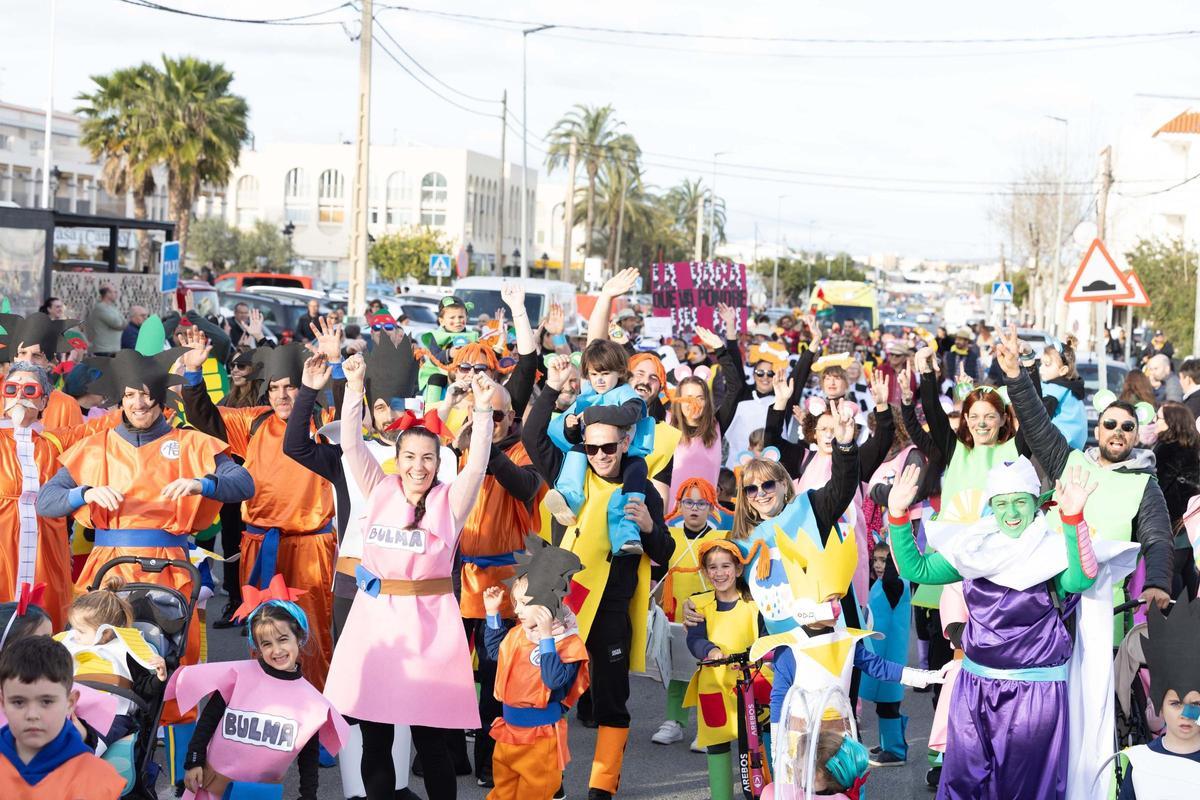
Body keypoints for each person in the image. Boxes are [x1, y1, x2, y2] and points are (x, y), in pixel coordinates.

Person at [888, 458, 1134, 800]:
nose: (1011, 512)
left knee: (1025, 790)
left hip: (1034, 696)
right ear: (991, 506)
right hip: (974, 689)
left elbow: (1081, 579)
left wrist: (1073, 518)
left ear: (1036, 503)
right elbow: (918, 569)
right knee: (964, 786)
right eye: (1001, 503)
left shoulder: (1051, 551)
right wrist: (898, 517)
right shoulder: (974, 550)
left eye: (1020, 501)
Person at [324, 355, 495, 800]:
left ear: (438, 463)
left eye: (428, 458)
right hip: (376, 625)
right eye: (410, 457)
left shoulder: (449, 501)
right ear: (396, 459)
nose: (419, 466)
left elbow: (476, 467)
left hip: (430, 626)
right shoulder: (379, 488)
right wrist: (353, 385)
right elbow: (351, 446)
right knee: (376, 736)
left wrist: (482, 410)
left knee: (431, 740)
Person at [284, 334, 435, 800]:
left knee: (408, 687)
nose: (390, 417)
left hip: (412, 589)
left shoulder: (432, 459)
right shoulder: (349, 457)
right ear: (368, 407)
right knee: (358, 686)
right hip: (358, 583)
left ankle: (400, 784)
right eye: (383, 406)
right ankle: (358, 790)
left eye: (399, 406)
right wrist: (311, 389)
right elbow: (295, 447)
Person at [36, 348, 254, 667]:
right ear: (120, 401)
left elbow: (244, 483)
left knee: (170, 657)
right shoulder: (95, 448)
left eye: (146, 395)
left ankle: (171, 717)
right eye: (129, 395)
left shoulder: (193, 444)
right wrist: (84, 493)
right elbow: (46, 501)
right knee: (101, 657)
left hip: (170, 567)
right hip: (109, 567)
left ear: (161, 399)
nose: (138, 404)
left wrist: (204, 484)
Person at [523, 353, 674, 800]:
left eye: (610, 447)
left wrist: (649, 527)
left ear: (626, 443)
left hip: (610, 608)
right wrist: (551, 386)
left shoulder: (640, 487)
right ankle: (547, 784)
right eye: (593, 448)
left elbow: (663, 552)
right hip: (561, 606)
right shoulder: (567, 470)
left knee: (611, 703)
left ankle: (601, 789)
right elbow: (532, 434)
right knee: (546, 697)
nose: (602, 456)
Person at [179, 333, 336, 689]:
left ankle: (313, 720)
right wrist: (192, 374)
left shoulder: (325, 422)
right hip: (260, 543)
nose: (282, 396)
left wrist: (336, 362)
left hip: (310, 547)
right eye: (275, 388)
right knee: (263, 635)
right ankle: (264, 708)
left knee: (310, 637)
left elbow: (352, 407)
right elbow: (206, 420)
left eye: (290, 387)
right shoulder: (253, 421)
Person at [169, 576, 348, 800]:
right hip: (211, 789)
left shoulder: (312, 703)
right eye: (266, 644)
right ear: (257, 647)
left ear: (299, 637)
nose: (277, 650)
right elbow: (208, 720)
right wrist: (193, 760)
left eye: (283, 639)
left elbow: (309, 755)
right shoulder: (237, 678)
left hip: (260, 795)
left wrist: (308, 795)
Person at [482, 537, 589, 800]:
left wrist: (546, 639)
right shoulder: (519, 633)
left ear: (546, 605)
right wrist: (492, 615)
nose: (516, 609)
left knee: (534, 794)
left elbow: (553, 681)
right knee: (503, 792)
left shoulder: (568, 644)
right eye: (515, 602)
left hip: (539, 738)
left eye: (523, 603)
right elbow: (496, 652)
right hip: (508, 732)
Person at [543, 339, 652, 557]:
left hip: (628, 456)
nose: (599, 380)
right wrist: (571, 426)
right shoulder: (587, 397)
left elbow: (631, 413)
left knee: (637, 477)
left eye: (605, 373)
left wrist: (594, 413)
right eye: (594, 374)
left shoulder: (625, 393)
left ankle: (627, 532)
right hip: (596, 454)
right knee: (576, 451)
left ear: (620, 371)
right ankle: (569, 498)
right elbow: (577, 436)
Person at [651, 479, 729, 748]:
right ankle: (675, 721)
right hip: (674, 614)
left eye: (701, 503)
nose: (694, 508)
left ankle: (709, 728)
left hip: (709, 616)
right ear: (679, 506)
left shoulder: (719, 540)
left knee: (709, 672)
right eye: (688, 502)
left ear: (711, 506)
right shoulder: (669, 536)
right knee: (677, 671)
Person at [0, 636, 125, 799]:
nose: (32, 715)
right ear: (3, 703)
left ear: (70, 702)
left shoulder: (98, 781)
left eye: (46, 701)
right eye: (18, 702)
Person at [682, 540, 760, 800]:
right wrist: (710, 650)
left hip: (753, 684)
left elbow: (766, 635)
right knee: (716, 746)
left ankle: (764, 793)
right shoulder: (698, 604)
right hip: (714, 685)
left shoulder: (755, 603)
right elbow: (694, 638)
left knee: (757, 745)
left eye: (726, 565)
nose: (719, 572)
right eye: (712, 567)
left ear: (738, 569)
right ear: (705, 572)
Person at [0, 363, 75, 629]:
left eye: (29, 389)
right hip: (3, 551)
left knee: (45, 626)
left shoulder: (57, 441)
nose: (19, 395)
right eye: (12, 388)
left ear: (44, 400)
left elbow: (107, 427)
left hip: (47, 551)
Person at [54, 578, 166, 744]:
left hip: (113, 714)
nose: (74, 634)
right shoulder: (69, 644)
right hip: (75, 707)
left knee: (100, 733)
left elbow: (142, 688)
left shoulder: (125, 650)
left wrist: (159, 678)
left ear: (105, 632)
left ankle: (85, 750)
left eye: (81, 631)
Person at [1115, 597, 1200, 797]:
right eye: (1176, 703)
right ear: (1159, 705)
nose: (1186, 714)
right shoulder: (1141, 763)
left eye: (1195, 704)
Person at [0, 312, 84, 429]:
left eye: (37, 355)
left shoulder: (66, 406)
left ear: (48, 363)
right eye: (22, 353)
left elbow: (76, 445)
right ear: (13, 357)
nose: (28, 361)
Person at [1151, 402, 1200, 599]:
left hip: (1174, 519)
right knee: (1189, 568)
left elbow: (1158, 484)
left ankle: (1174, 614)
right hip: (1191, 518)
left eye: (1159, 418)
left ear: (1173, 423)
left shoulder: (1168, 448)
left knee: (1172, 570)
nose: (1155, 422)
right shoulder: (1193, 445)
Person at [1039, 336, 1087, 451]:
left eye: (1047, 364)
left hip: (1058, 446)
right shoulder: (1071, 389)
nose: (1041, 369)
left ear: (1063, 370)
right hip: (1075, 447)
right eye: (1040, 363)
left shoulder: (1055, 390)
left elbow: (1039, 419)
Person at [83, 285, 124, 357]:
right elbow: (118, 324)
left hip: (113, 349)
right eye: (114, 292)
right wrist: (121, 322)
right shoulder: (100, 308)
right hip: (104, 350)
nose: (116, 294)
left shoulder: (113, 307)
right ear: (108, 293)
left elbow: (124, 322)